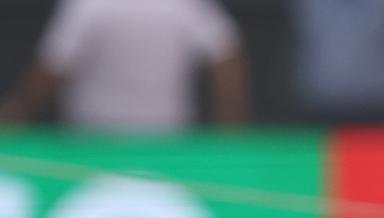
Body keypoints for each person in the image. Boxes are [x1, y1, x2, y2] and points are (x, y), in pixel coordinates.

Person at [0, 0, 249, 130]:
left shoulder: (88, 4)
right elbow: (227, 55)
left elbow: (51, 69)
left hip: (151, 143)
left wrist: (20, 109)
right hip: (108, 141)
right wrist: (230, 119)